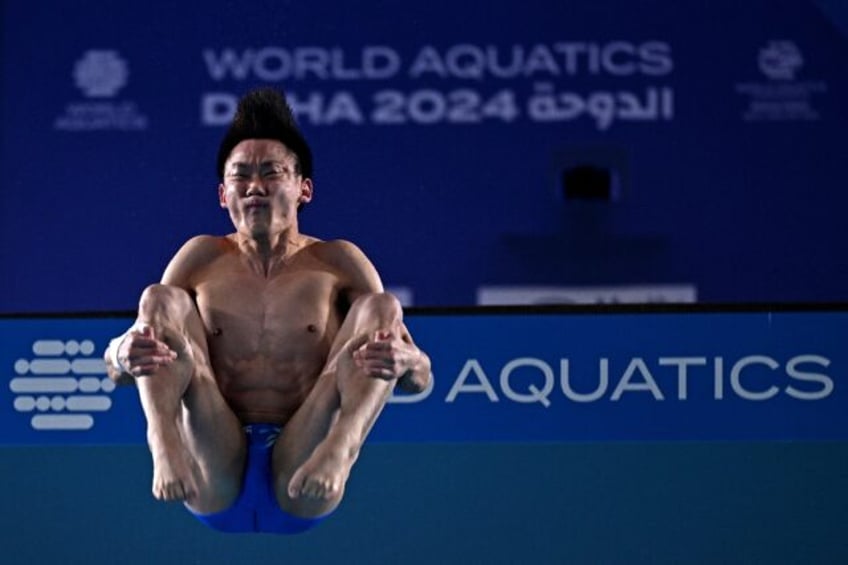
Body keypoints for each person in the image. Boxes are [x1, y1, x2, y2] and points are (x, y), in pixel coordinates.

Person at [103, 88, 431, 534]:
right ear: (223, 194)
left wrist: (408, 361)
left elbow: (417, 379)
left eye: (271, 172)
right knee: (159, 300)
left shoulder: (339, 262)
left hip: (307, 462)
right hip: (211, 461)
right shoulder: (200, 257)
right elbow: (122, 366)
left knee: (381, 307)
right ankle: (161, 442)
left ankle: (344, 448)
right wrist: (124, 352)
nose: (254, 186)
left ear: (303, 189)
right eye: (240, 176)